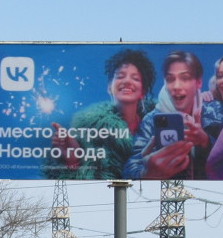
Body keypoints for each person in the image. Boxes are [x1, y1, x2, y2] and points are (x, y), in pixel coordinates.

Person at [44, 48, 157, 180]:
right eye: (120, 76)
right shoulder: (88, 130)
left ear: (143, 91)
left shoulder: (156, 125)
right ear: (109, 87)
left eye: (135, 78)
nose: (127, 81)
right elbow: (79, 178)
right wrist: (72, 159)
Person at [124, 50, 223, 180]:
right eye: (170, 79)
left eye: (185, 78)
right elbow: (129, 169)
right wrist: (146, 174)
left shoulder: (215, 112)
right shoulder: (151, 120)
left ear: (198, 83)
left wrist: (206, 142)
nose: (176, 86)